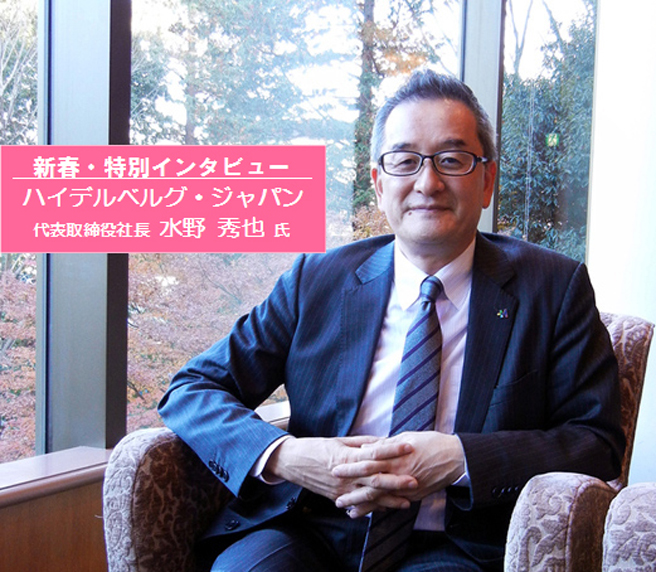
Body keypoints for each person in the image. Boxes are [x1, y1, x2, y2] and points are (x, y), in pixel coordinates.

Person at [158, 70, 624, 572]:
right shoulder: (316, 280)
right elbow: (192, 389)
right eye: (404, 161)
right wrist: (289, 457)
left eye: (452, 160)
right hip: (311, 526)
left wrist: (459, 458)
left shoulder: (554, 288)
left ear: (487, 180)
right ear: (379, 184)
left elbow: (596, 443)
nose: (428, 183)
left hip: (456, 544)